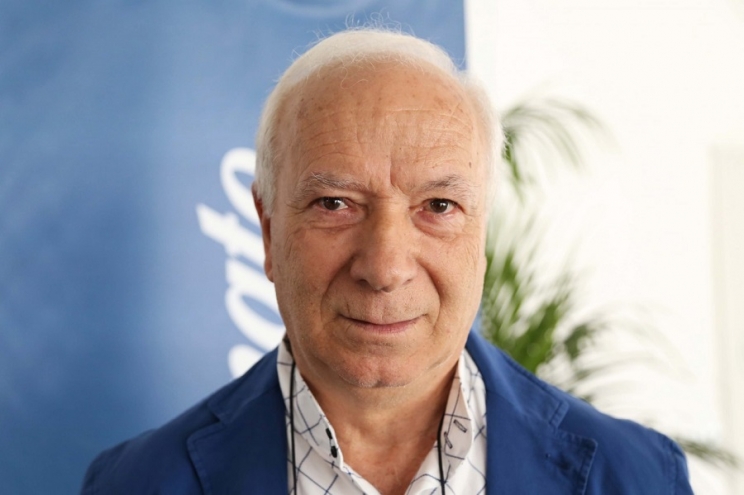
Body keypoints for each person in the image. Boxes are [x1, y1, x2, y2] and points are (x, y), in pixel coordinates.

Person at [81, 28, 693, 494]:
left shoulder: (637, 476)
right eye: (335, 203)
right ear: (268, 232)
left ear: (481, 231)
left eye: (438, 206)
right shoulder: (135, 484)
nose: (385, 267)